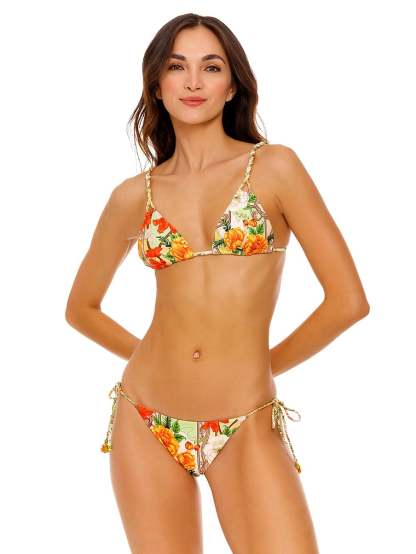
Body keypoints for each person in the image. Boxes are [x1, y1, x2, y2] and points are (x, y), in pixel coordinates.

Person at [65, 13, 370, 554]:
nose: (193, 81)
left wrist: (257, 367)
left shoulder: (275, 167)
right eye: (176, 67)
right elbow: (81, 308)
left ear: (232, 86)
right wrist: (161, 359)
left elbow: (348, 302)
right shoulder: (133, 196)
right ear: (156, 85)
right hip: (146, 417)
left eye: (211, 67)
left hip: (246, 418)